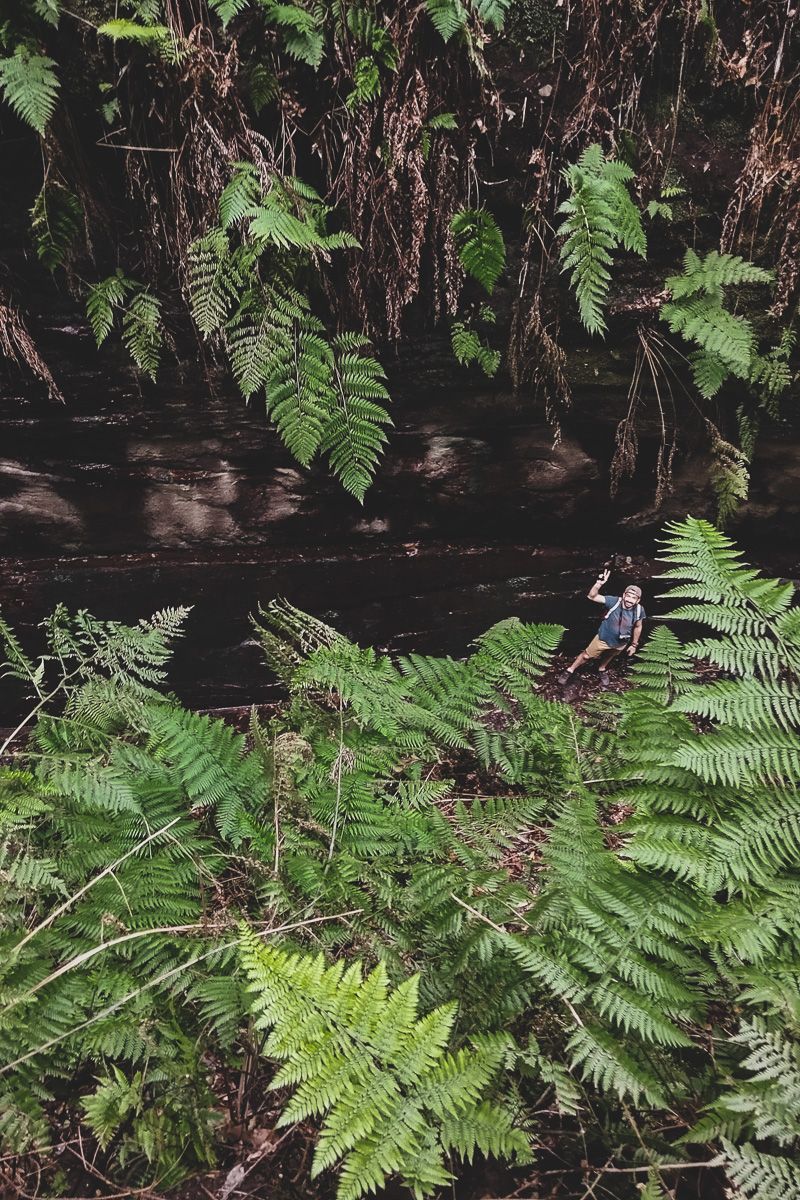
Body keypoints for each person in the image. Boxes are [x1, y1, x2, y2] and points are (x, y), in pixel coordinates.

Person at [558, 568, 645, 686]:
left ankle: (601, 669)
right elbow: (592, 596)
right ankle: (570, 670)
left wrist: (634, 644)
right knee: (586, 655)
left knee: (610, 655)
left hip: (622, 642)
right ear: (624, 595)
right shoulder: (614, 602)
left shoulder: (639, 610)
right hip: (603, 639)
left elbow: (638, 626)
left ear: (638, 600)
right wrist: (598, 584)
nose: (629, 600)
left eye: (633, 598)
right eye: (628, 596)